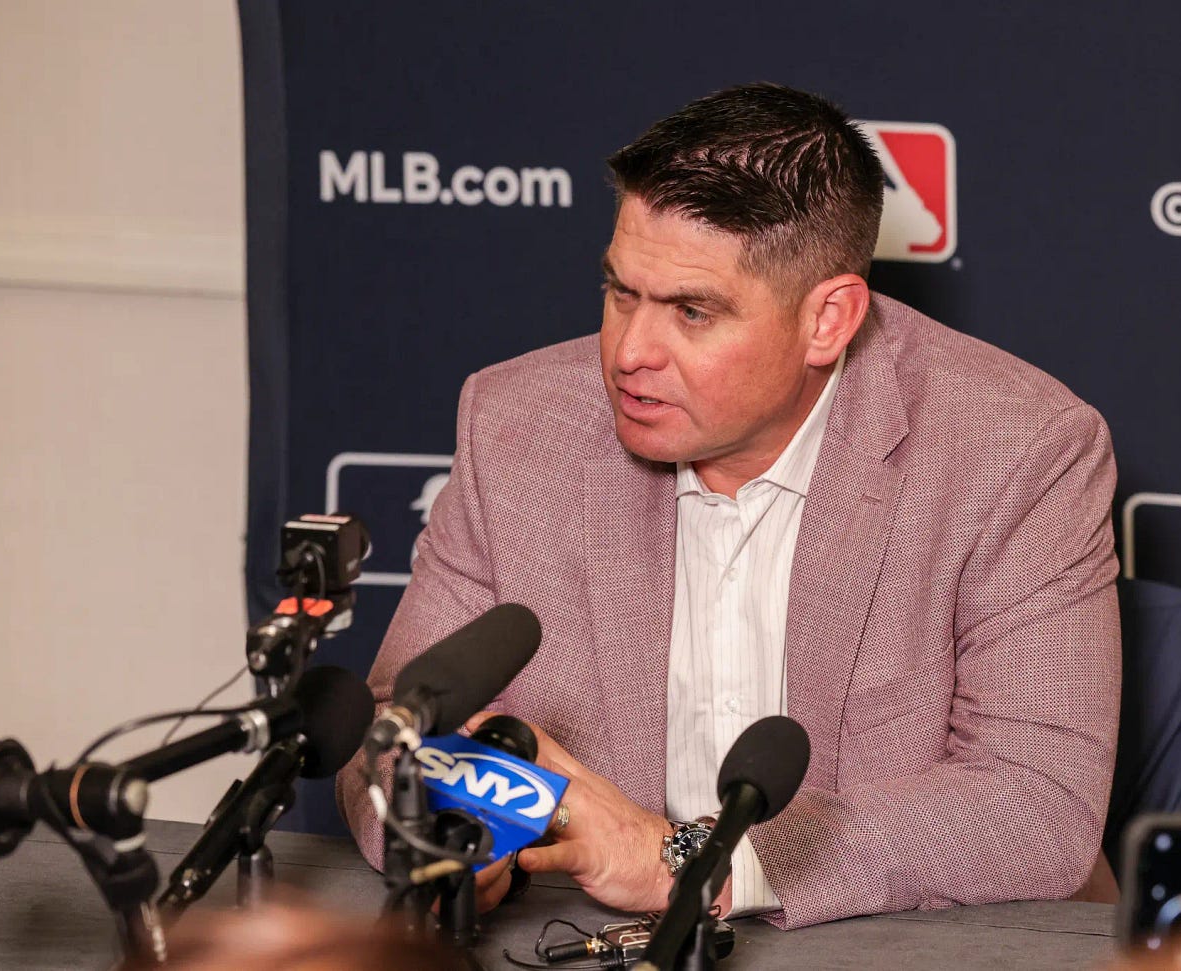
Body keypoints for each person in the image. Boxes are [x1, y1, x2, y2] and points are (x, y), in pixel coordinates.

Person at [337, 82, 1121, 930]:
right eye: (621, 292)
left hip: (892, 940)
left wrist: (692, 861)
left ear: (828, 320)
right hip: (586, 936)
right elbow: (390, 732)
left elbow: (1036, 803)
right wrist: (443, 829)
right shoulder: (516, 427)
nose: (630, 352)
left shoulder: (1019, 450)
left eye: (692, 311)